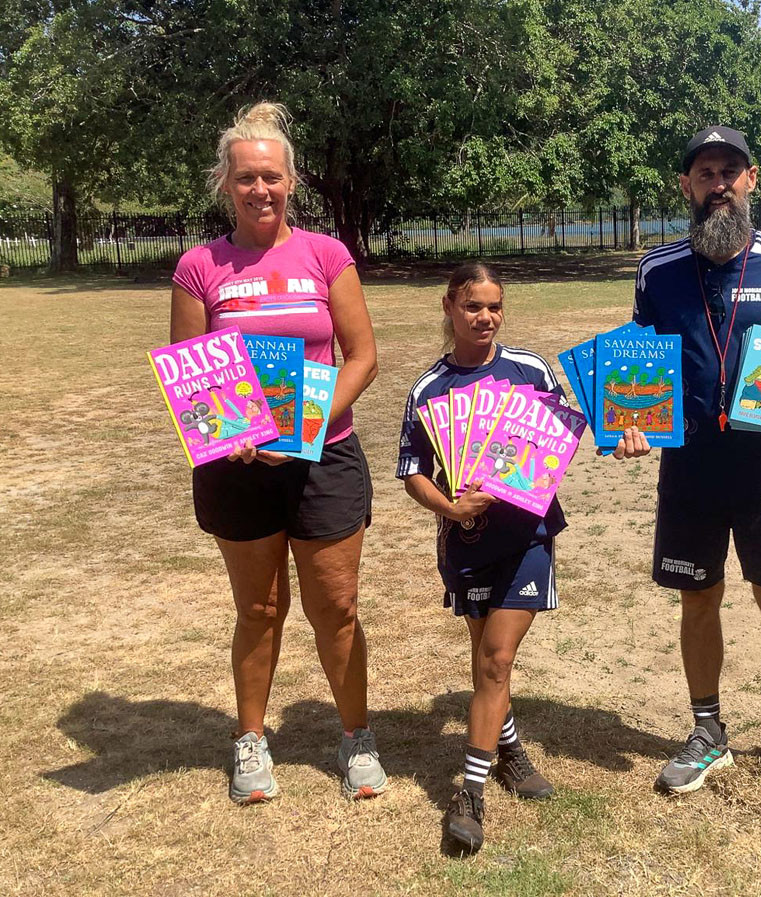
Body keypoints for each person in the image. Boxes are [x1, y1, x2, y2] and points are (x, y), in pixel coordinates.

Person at [169, 102, 386, 803]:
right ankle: (252, 741)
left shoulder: (326, 255)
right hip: (238, 469)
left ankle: (355, 737)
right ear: (225, 184)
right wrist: (225, 433)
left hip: (325, 458)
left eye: (272, 175)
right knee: (259, 610)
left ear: (292, 181)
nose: (259, 188)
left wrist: (308, 424)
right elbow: (190, 373)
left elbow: (363, 356)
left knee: (338, 608)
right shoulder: (200, 266)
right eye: (245, 177)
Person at [622, 126, 761, 804]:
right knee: (698, 598)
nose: (718, 183)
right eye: (705, 172)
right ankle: (708, 729)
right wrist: (629, 420)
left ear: (752, 180)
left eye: (730, 171)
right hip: (688, 466)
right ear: (686, 186)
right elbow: (637, 360)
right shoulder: (657, 270)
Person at [396, 263, 563, 851]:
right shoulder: (428, 389)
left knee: (495, 660)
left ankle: (469, 794)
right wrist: (451, 507)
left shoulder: (531, 370)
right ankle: (509, 749)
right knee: (487, 660)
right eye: (472, 307)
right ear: (449, 307)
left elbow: (561, 436)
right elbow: (410, 471)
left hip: (527, 537)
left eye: (494, 306)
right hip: (465, 542)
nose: (485, 318)